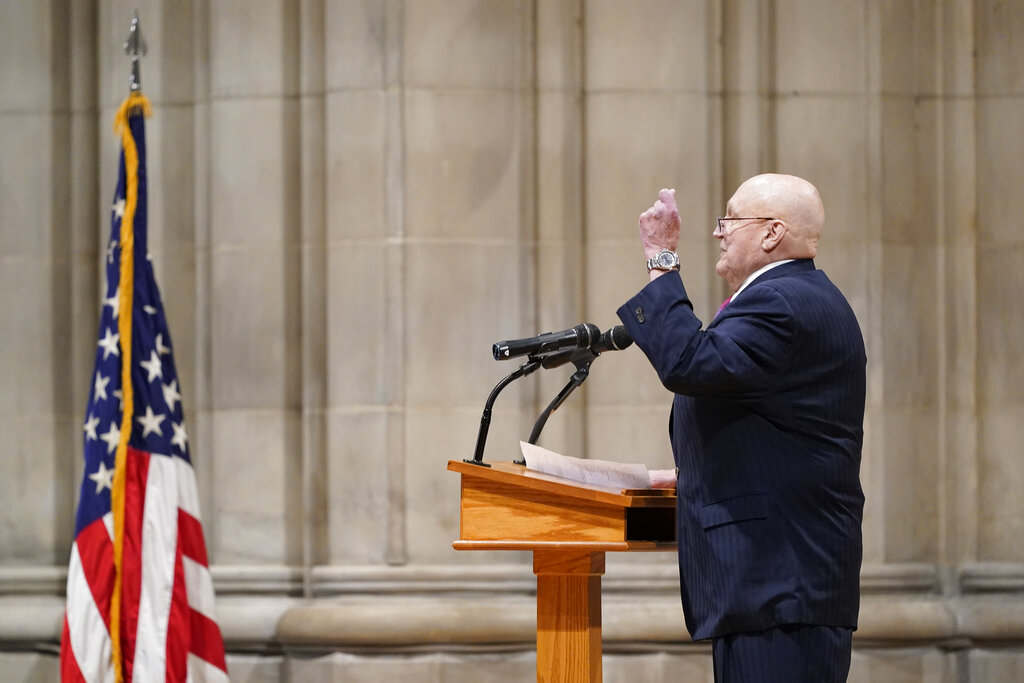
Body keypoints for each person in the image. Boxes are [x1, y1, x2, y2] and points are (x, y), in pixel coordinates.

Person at [617, 174, 866, 682]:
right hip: (774, 588)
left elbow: (690, 364)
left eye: (729, 220)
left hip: (780, 588)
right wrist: (696, 475)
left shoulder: (783, 302)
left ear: (772, 234)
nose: (718, 232)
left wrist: (661, 257)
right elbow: (773, 429)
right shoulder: (792, 297)